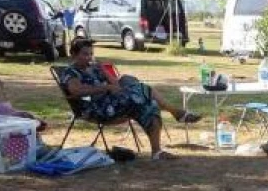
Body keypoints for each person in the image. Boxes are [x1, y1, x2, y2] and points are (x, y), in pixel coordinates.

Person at [60, 38, 200, 160]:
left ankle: (157, 152)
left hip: (113, 103)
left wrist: (104, 72)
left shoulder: (94, 69)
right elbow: (76, 91)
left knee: (149, 104)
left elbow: (115, 85)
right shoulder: (71, 72)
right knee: (142, 91)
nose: (89, 57)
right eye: (85, 54)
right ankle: (176, 112)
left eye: (91, 54)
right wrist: (105, 88)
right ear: (73, 54)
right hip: (96, 109)